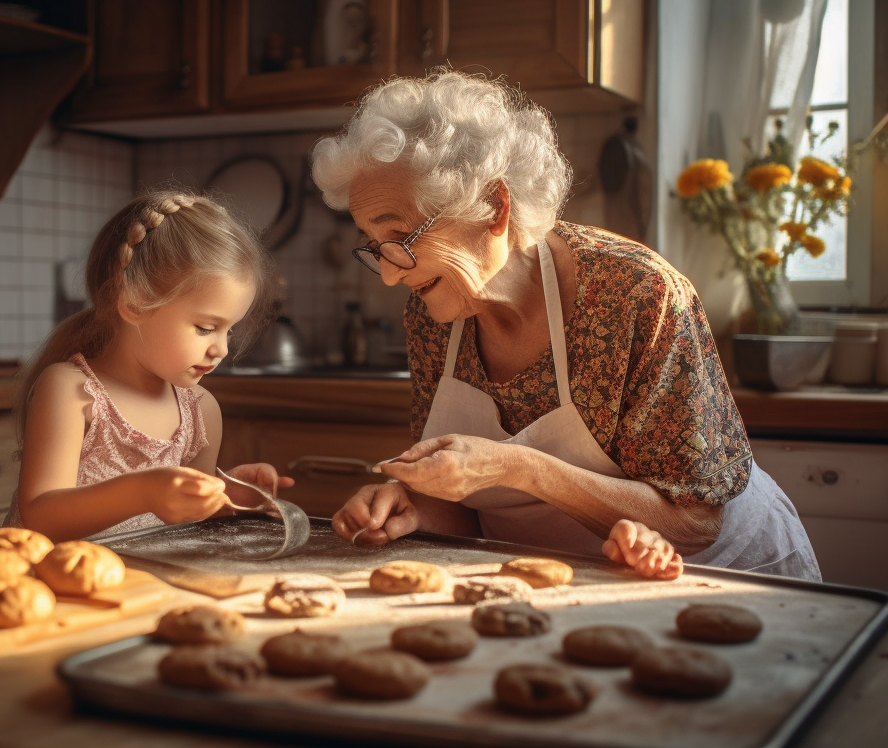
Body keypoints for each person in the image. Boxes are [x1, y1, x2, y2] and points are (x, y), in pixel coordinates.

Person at [309, 70, 820, 581]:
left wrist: (518, 465)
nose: (392, 275)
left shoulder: (636, 294)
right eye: (375, 249)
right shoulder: (433, 314)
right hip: (570, 583)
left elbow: (692, 523)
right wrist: (413, 508)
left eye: (400, 237)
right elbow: (463, 506)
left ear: (493, 206)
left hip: (727, 578)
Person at [7, 188, 291, 541]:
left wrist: (226, 497)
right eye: (205, 328)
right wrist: (144, 493)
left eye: (228, 331)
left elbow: (188, 526)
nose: (220, 349)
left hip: (143, 585)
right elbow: (40, 516)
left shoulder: (202, 411)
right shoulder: (70, 390)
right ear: (135, 305)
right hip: (52, 583)